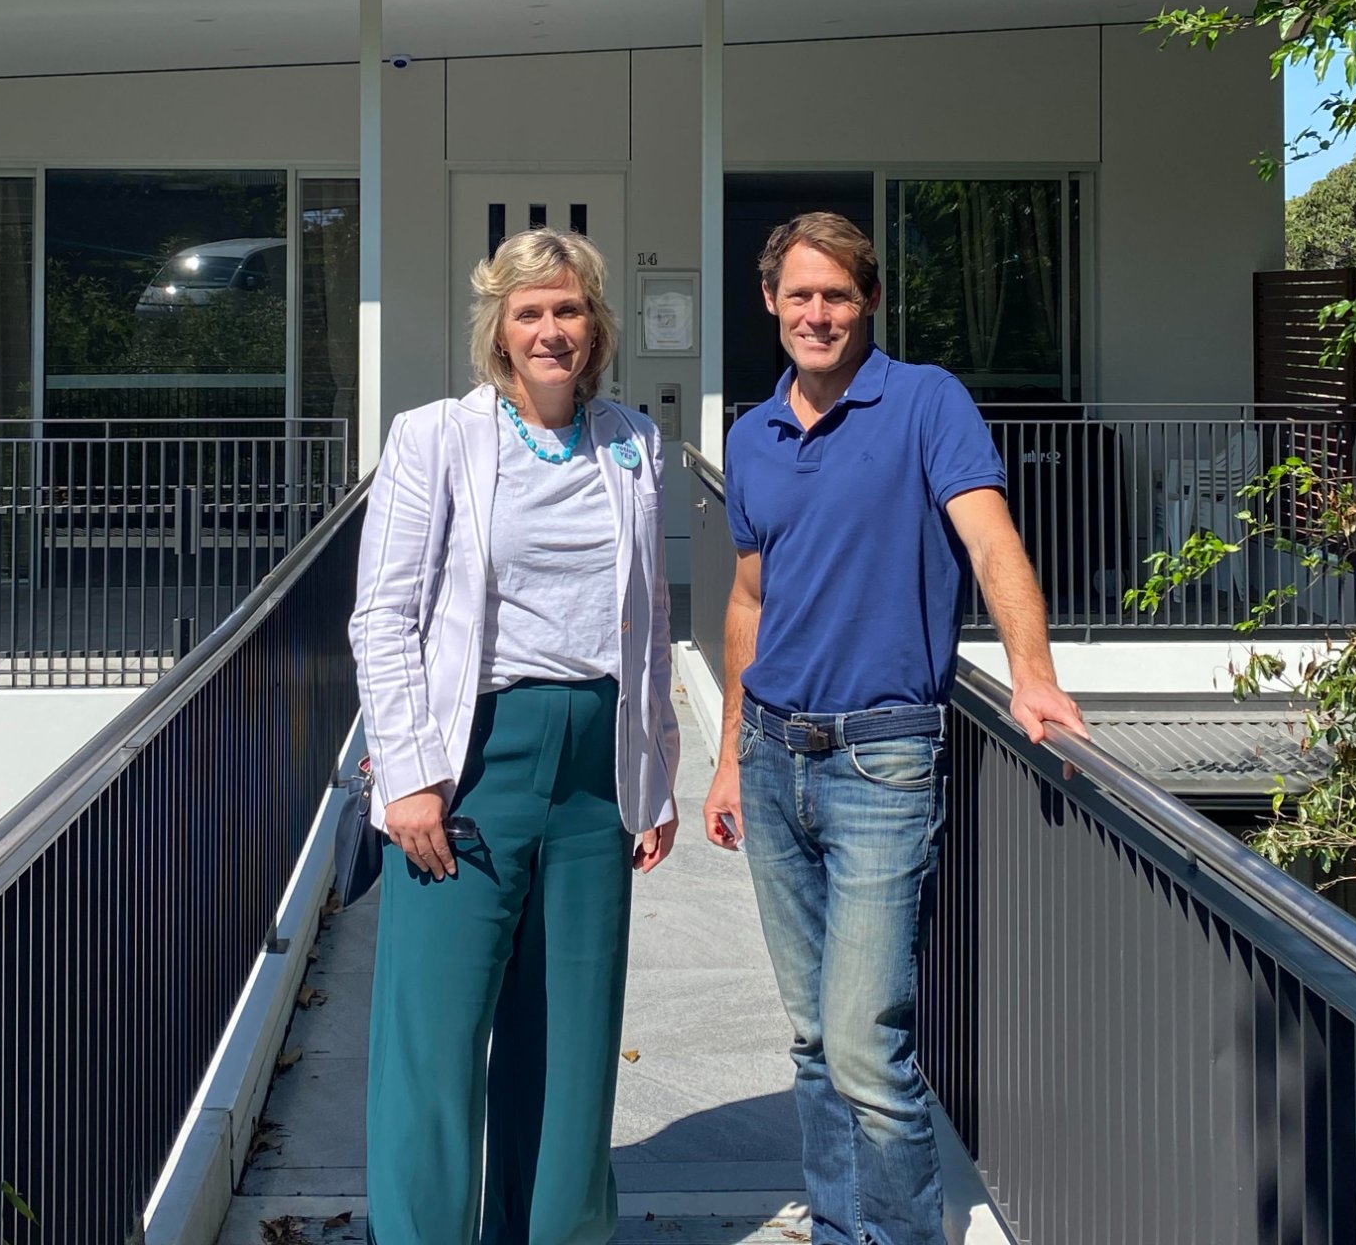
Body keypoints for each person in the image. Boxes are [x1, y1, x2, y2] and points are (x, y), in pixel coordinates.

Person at [701, 211, 1087, 1245]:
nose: (816, 312)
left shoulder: (925, 400)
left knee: (869, 1042)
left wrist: (1034, 676)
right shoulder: (751, 432)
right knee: (813, 1039)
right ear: (771, 303)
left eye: (837, 294)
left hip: (883, 753)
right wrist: (729, 757)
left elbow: (993, 543)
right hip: (774, 754)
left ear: (868, 300)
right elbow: (748, 601)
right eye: (798, 294)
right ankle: (840, 1228)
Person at [349, 227, 680, 1245]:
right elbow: (383, 613)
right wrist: (406, 776)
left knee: (571, 1036)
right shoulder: (436, 437)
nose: (551, 328)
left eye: (569, 309)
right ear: (498, 328)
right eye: (530, 311)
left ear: (598, 326)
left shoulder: (633, 441)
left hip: (593, 765)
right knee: (437, 1039)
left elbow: (651, 616)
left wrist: (656, 771)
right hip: (473, 757)